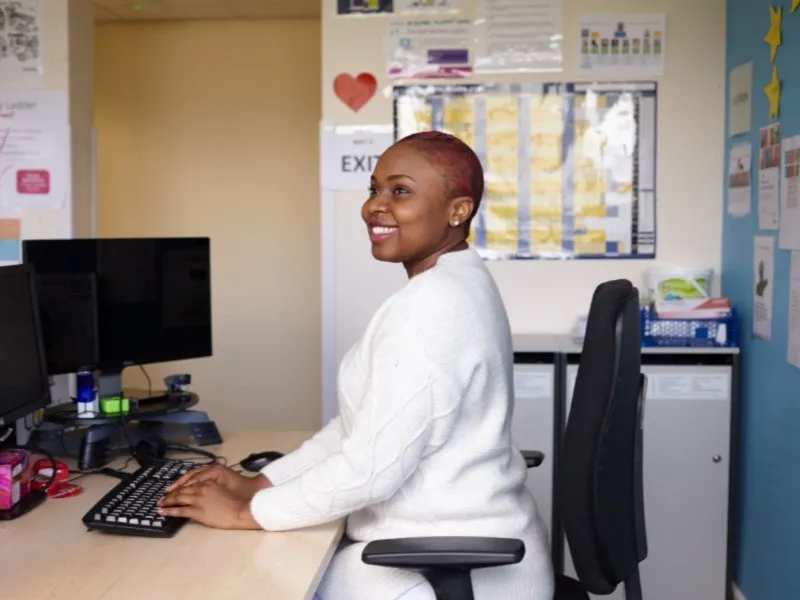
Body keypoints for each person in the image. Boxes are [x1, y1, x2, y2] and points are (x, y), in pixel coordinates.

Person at [159, 131, 554, 600]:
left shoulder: (432, 309)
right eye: (374, 189)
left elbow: (369, 471)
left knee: (244, 579)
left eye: (400, 191)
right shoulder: (454, 280)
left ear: (458, 210)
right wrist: (260, 485)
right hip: (446, 543)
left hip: (442, 568)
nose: (374, 207)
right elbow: (359, 428)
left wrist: (247, 513)